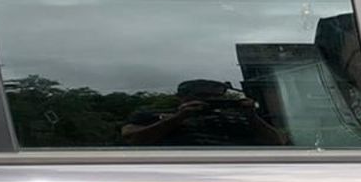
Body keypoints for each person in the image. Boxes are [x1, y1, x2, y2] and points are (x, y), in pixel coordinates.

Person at [119, 78, 286, 146]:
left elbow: (278, 143)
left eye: (216, 97)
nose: (209, 101)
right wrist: (179, 118)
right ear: (181, 97)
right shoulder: (153, 114)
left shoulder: (241, 117)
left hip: (245, 171)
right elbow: (133, 140)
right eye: (203, 96)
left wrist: (251, 116)